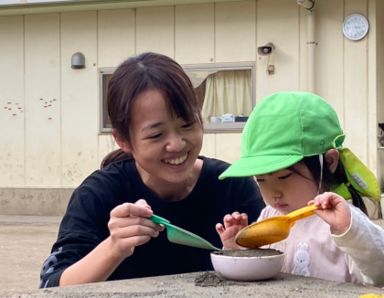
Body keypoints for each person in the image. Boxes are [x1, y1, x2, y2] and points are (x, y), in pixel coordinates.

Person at [39, 52, 264, 288]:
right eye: (156, 135)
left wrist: (244, 257)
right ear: (123, 140)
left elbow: (284, 267)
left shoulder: (232, 186)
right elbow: (51, 286)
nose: (177, 144)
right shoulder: (98, 195)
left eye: (187, 124)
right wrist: (114, 247)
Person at [216, 91, 384, 287]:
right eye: (260, 179)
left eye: (284, 176)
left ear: (329, 161)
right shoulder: (269, 215)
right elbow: (259, 276)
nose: (273, 193)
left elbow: (379, 273)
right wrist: (239, 249)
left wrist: (350, 231)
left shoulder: (343, 221)